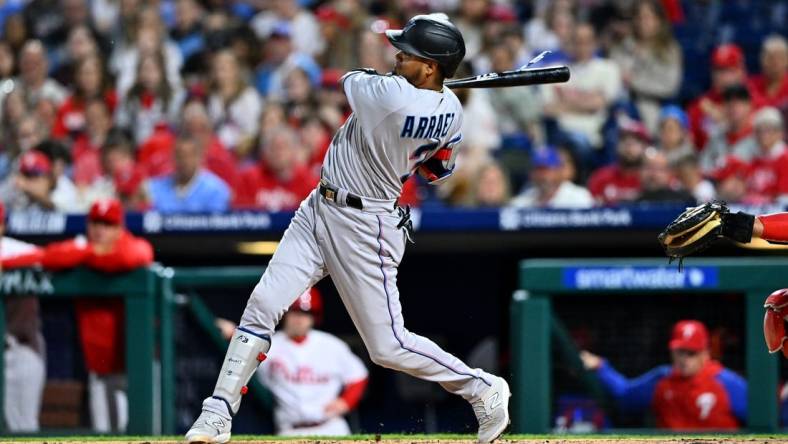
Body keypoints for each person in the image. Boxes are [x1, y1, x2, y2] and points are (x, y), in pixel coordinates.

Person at [185, 14, 510, 444]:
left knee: (388, 346)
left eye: (408, 53)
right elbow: (437, 170)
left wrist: (415, 103)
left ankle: (482, 387)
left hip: (365, 225)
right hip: (319, 207)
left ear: (430, 67)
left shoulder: (389, 94)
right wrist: (433, 103)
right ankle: (218, 412)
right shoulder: (451, 111)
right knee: (263, 303)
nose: (397, 55)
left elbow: (350, 77)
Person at [41, 198, 154, 432]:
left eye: (108, 224)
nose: (100, 230)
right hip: (99, 368)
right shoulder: (83, 248)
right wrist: (89, 253)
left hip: (136, 367)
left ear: (120, 228)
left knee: (144, 431)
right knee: (102, 434)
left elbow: (139, 254)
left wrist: (89, 255)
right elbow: (47, 256)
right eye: (96, 223)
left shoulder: (129, 246)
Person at [580, 320, 746, 430]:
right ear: (672, 352)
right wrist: (602, 367)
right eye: (680, 352)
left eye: (691, 353)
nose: (684, 359)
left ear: (705, 354)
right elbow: (626, 395)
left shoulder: (727, 383)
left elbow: (764, 420)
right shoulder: (662, 379)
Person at [256, 288, 368, 436]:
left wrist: (346, 402)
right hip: (290, 431)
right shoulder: (269, 345)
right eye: (295, 312)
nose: (299, 319)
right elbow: (243, 347)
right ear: (285, 314)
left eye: (306, 314)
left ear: (314, 318)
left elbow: (358, 375)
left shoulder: (331, 345)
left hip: (331, 428)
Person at [0, 201, 46, 432]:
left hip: (20, 348)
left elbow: (55, 258)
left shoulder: (19, 250)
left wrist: (7, 264)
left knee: (22, 430)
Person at [144, 136, 231, 214]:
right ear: (172, 157)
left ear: (200, 157)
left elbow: (216, 225)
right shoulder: (153, 187)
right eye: (179, 155)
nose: (184, 161)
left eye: (189, 156)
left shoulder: (216, 190)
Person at [510, 146, 593, 208]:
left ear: (559, 170)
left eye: (547, 169)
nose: (542, 175)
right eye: (537, 169)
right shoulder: (523, 200)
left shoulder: (579, 197)